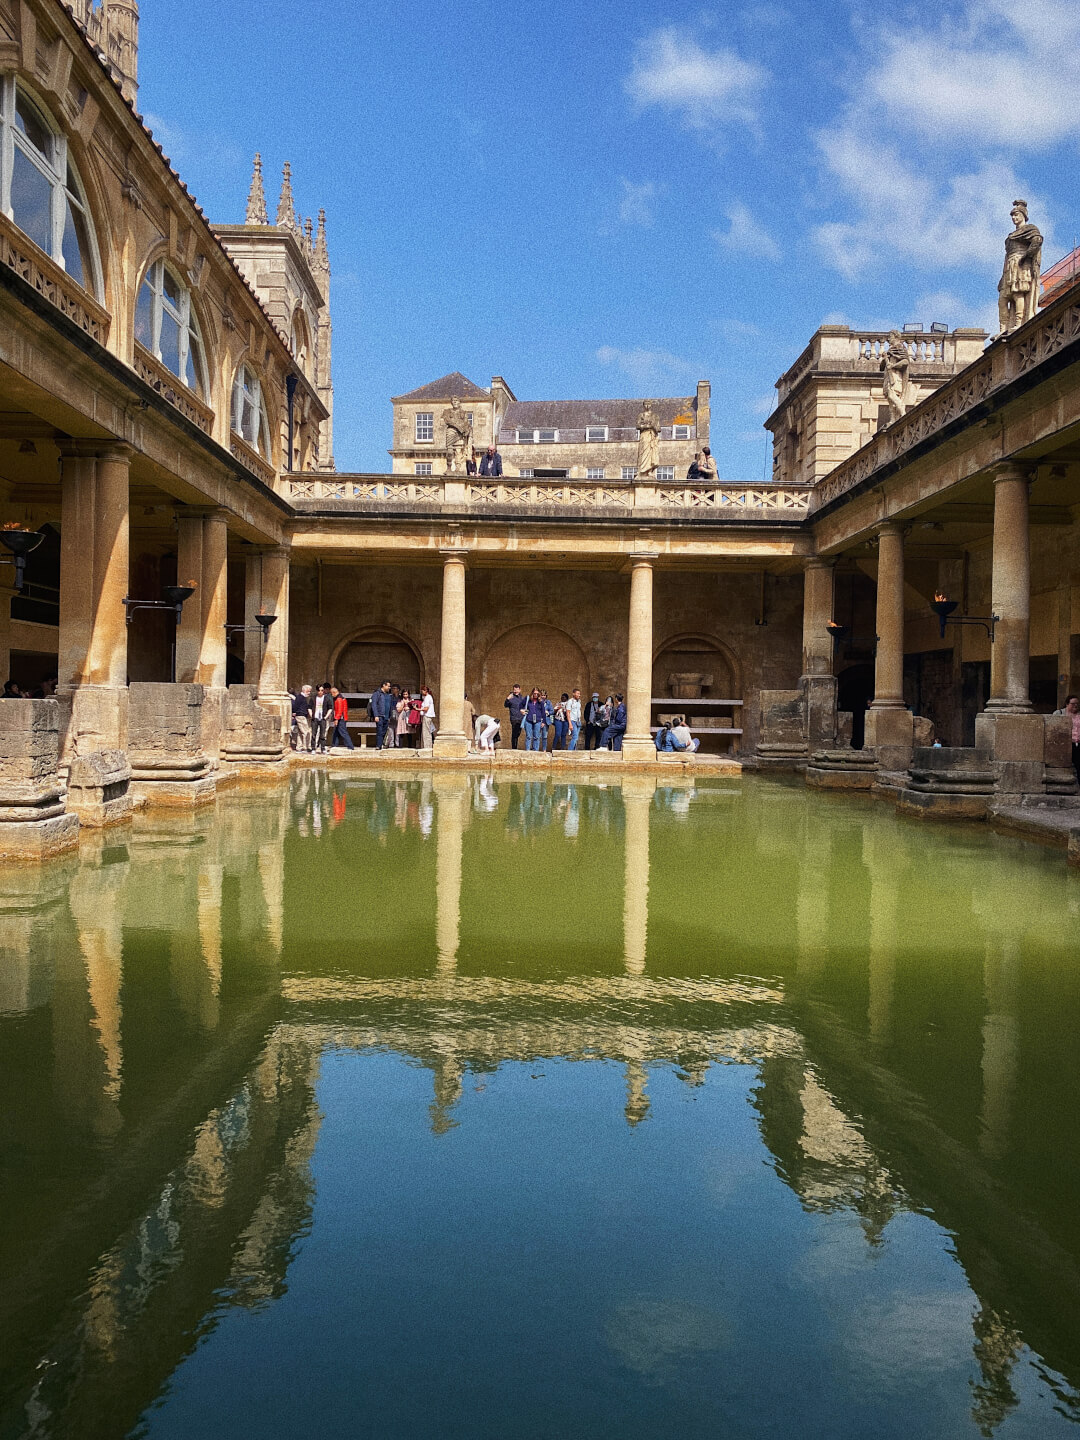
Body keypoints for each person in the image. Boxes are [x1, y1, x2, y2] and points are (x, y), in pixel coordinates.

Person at [371, 680, 395, 750]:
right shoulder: (377, 694)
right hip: (380, 716)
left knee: (384, 731)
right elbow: (374, 705)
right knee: (379, 730)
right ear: (384, 685)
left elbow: (390, 706)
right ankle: (378, 745)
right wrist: (376, 715)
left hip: (386, 717)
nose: (389, 688)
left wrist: (390, 716)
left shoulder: (388, 695)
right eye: (388, 686)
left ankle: (381, 744)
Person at [504, 684, 527, 748]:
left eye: (517, 690)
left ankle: (514, 746)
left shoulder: (522, 698)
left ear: (520, 690)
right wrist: (507, 699)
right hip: (514, 718)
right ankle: (514, 748)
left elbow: (526, 708)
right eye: (514, 690)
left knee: (518, 733)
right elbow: (505, 705)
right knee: (514, 733)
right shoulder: (511, 698)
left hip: (521, 718)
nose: (515, 691)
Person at [1064, 695, 1080, 785]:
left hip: (1078, 743)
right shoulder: (1059, 713)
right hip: (1066, 744)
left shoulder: (1079, 715)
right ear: (1067, 704)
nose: (1075, 706)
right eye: (1073, 704)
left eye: (1077, 704)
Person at [311, 683, 332, 751]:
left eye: (322, 690)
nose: (320, 692)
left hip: (323, 717)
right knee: (314, 733)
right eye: (319, 690)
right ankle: (314, 747)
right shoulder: (314, 698)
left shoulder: (327, 698)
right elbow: (309, 707)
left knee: (323, 734)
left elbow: (330, 707)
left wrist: (326, 716)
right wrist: (312, 715)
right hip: (315, 717)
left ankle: (322, 747)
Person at [291, 684, 312, 751]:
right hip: (300, 716)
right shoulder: (300, 697)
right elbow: (296, 706)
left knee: (300, 732)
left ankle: (299, 747)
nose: (309, 693)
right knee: (306, 732)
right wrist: (294, 712)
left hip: (301, 715)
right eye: (308, 691)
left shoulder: (302, 697)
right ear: (305, 690)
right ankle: (306, 746)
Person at [419, 685, 436, 749]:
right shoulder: (428, 697)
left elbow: (426, 708)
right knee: (427, 731)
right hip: (428, 716)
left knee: (426, 732)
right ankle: (426, 746)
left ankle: (427, 747)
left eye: (422, 691)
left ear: (425, 691)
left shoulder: (427, 697)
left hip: (427, 716)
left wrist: (417, 709)